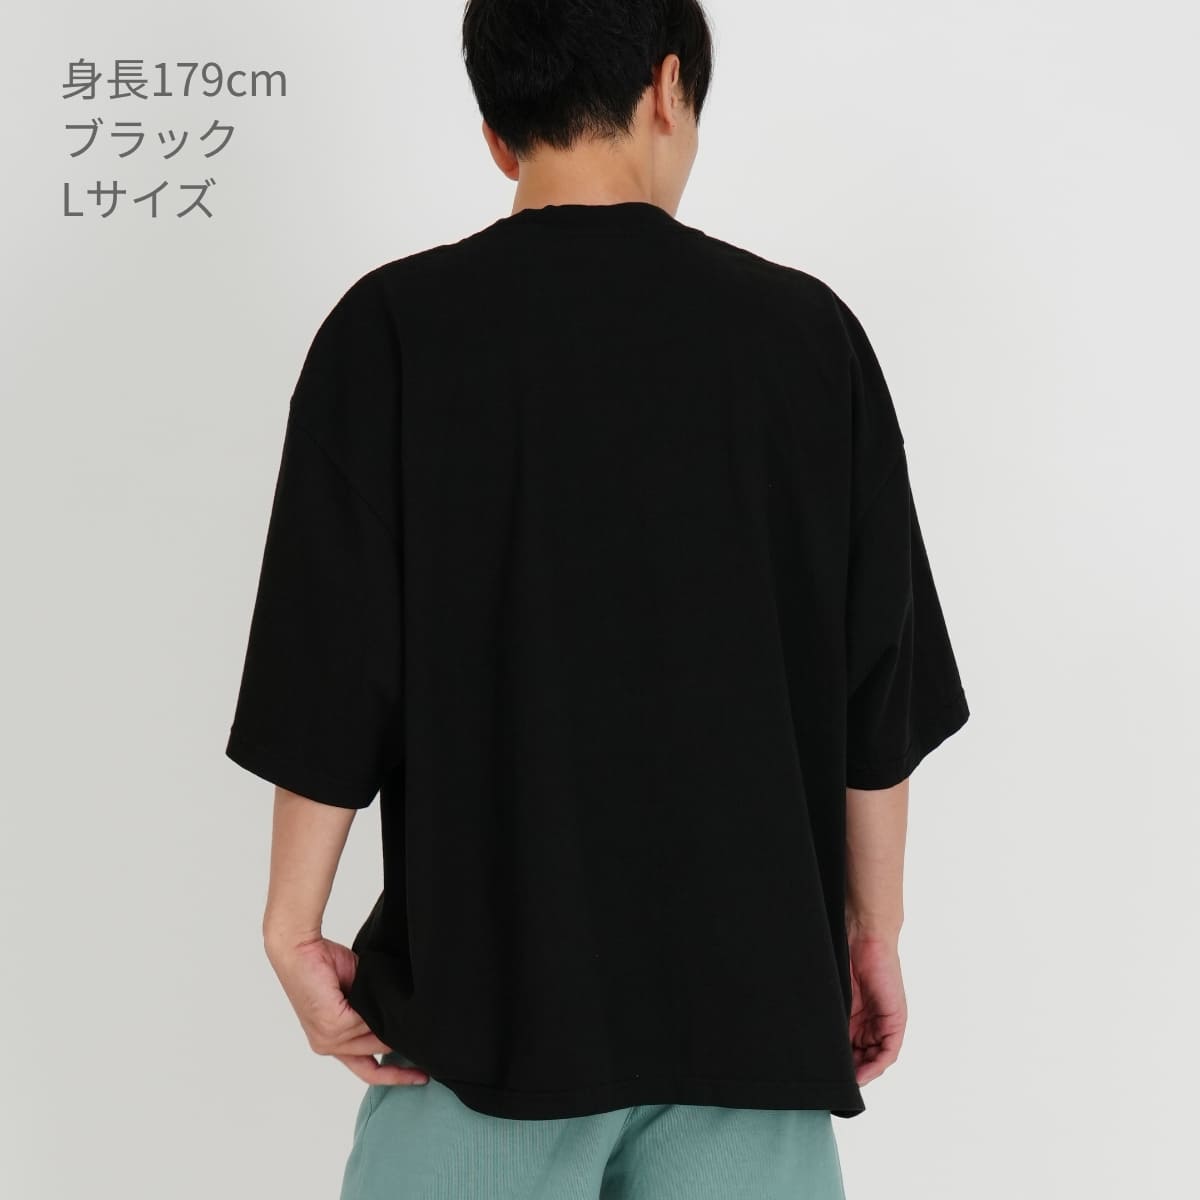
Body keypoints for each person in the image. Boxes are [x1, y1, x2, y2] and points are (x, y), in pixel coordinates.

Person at [223, 2, 971, 1197]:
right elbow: (876, 688)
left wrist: (291, 923)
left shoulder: (395, 330)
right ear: (669, 88)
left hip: (488, 1024)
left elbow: (330, 665)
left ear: (496, 132)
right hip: (749, 1021)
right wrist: (871, 928)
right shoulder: (807, 339)